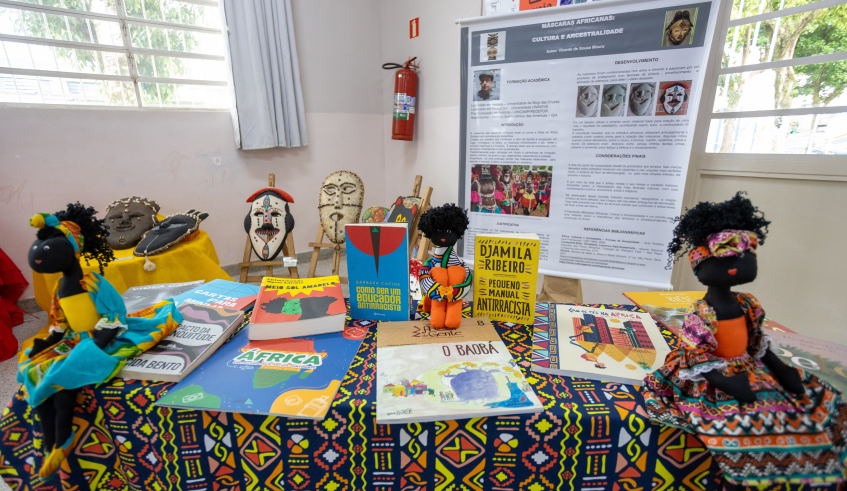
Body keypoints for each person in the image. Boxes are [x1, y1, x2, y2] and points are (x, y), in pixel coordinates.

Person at [641, 192, 847, 489]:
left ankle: (820, 465)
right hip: (711, 374)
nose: (737, 265)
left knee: (817, 398)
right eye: (725, 258)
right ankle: (756, 472)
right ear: (702, 264)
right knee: (746, 421)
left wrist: (781, 368)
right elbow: (696, 355)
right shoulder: (702, 312)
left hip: (747, 367)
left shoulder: (747, 304)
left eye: (744, 256)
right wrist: (725, 382)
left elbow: (757, 343)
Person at [22, 203, 181, 478]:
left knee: (64, 375)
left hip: (102, 335)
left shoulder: (92, 282)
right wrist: (47, 342)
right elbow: (60, 322)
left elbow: (114, 312)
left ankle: (63, 439)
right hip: (76, 337)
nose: (38, 253)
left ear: (72, 248)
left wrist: (101, 339)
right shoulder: (59, 288)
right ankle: (50, 446)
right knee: (33, 369)